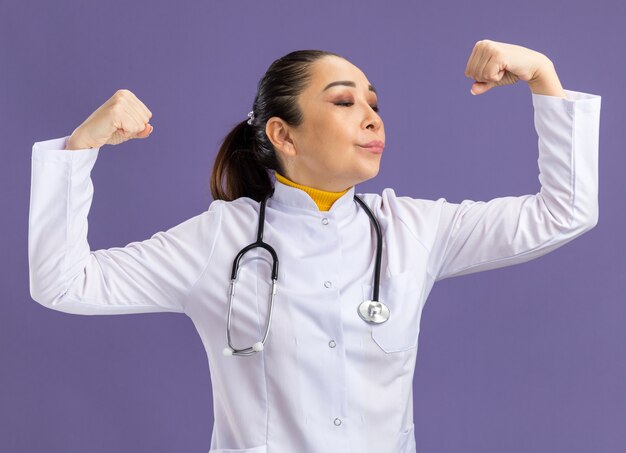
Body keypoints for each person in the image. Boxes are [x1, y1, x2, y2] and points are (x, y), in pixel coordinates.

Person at [28, 40, 601, 453]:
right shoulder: (218, 240)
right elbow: (63, 282)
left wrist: (542, 77)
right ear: (283, 134)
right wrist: (81, 149)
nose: (372, 117)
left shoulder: (412, 230)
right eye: (345, 102)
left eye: (374, 104)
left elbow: (563, 212)